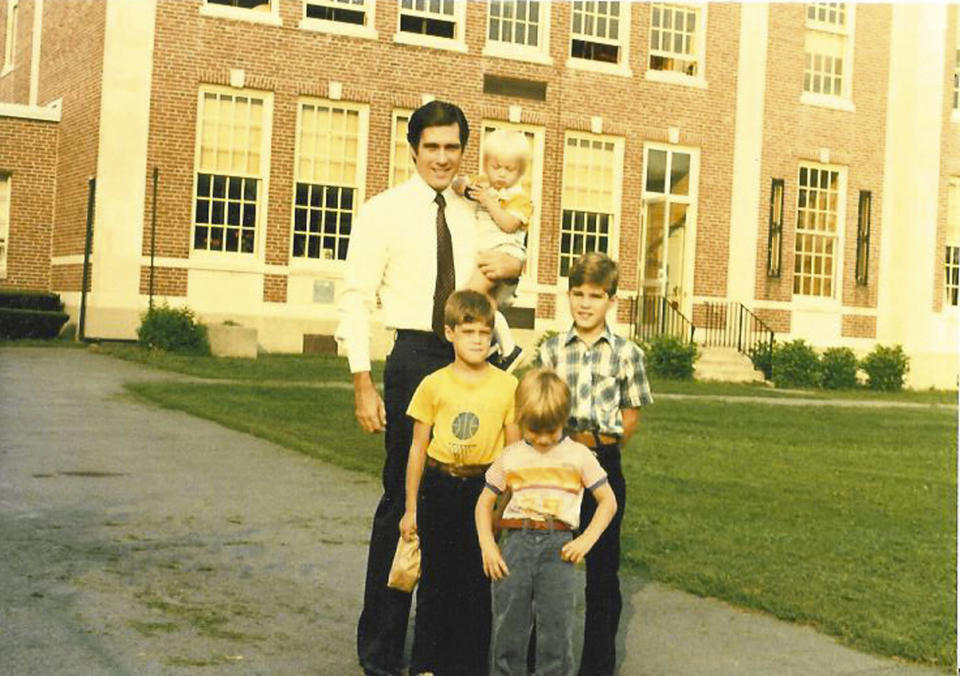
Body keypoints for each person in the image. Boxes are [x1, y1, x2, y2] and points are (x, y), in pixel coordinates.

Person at [337, 100, 525, 676]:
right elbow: (355, 297)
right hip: (416, 356)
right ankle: (383, 653)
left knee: (475, 503)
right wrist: (363, 381)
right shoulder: (383, 212)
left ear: (463, 150)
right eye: (432, 147)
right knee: (404, 502)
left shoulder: (479, 209)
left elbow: (515, 258)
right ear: (413, 148)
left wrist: (514, 263)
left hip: (476, 354)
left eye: (452, 147)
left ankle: (452, 654)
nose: (442, 158)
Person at [534, 252, 654, 676]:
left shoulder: (626, 354)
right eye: (578, 294)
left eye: (596, 296)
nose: (585, 304)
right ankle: (542, 659)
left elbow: (631, 415)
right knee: (546, 565)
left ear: (612, 301)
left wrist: (600, 452)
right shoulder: (551, 351)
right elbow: (537, 407)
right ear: (568, 296)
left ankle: (596, 666)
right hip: (555, 465)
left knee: (602, 573)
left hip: (602, 463)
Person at [400, 289, 521, 675]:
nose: (477, 341)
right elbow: (418, 449)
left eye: (485, 334)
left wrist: (502, 506)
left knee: (475, 585)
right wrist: (411, 509)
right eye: (468, 332)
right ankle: (427, 666)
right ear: (450, 333)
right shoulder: (433, 384)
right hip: (439, 487)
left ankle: (469, 667)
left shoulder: (506, 386)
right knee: (436, 581)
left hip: (482, 491)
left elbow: (513, 452)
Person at [476, 368, 617, 675]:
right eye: (533, 430)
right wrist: (488, 545)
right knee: (509, 630)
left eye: (550, 431)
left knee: (556, 631)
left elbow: (608, 501)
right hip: (515, 547)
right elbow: (484, 502)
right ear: (521, 418)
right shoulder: (510, 456)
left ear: (564, 418)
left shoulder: (579, 456)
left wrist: (585, 540)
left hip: (560, 547)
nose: (541, 440)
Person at [451, 128, 533, 371]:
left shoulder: (519, 198)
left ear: (520, 172)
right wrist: (466, 188)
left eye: (509, 170)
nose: (501, 174)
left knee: (469, 297)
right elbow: (456, 184)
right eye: (495, 166)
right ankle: (505, 349)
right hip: (487, 252)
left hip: (504, 251)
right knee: (483, 302)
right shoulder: (483, 183)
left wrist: (489, 202)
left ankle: (504, 347)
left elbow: (509, 225)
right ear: (486, 164)